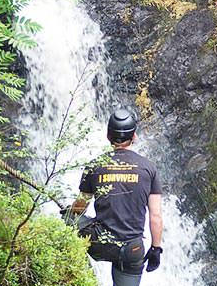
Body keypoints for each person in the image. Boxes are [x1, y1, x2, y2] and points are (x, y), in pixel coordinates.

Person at [66, 107, 163, 286]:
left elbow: (80, 207)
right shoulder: (148, 168)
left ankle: (71, 270)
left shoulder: (95, 166)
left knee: (68, 218)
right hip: (132, 249)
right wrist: (156, 248)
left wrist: (68, 214)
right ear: (134, 136)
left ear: (108, 136)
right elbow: (155, 216)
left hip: (99, 243)